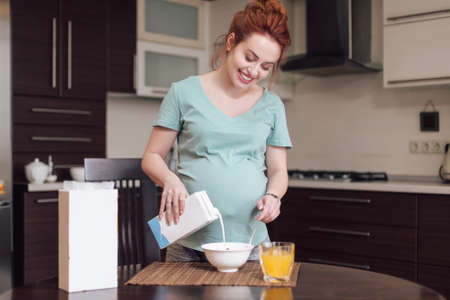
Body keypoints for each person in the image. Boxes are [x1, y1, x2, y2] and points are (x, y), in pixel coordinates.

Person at [142, 0, 292, 262]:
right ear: (231, 42)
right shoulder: (183, 92)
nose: (254, 71)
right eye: (250, 58)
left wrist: (274, 196)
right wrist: (170, 179)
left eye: (266, 67)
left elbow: (278, 171)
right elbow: (152, 157)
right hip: (188, 241)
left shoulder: (272, 105)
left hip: (251, 243)